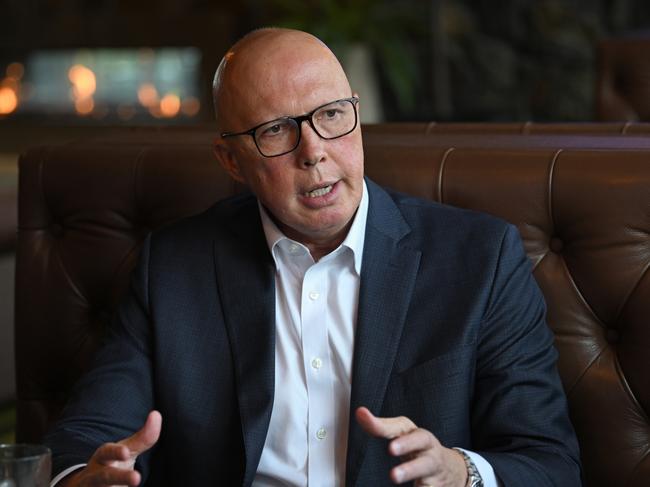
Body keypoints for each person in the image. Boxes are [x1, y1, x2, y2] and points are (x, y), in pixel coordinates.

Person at [45, 28, 581, 486]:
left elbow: (549, 463)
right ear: (231, 160)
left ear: (356, 114)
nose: (314, 150)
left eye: (331, 114)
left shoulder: (480, 259)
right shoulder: (174, 265)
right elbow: (87, 435)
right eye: (275, 129)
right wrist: (86, 477)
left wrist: (457, 470)